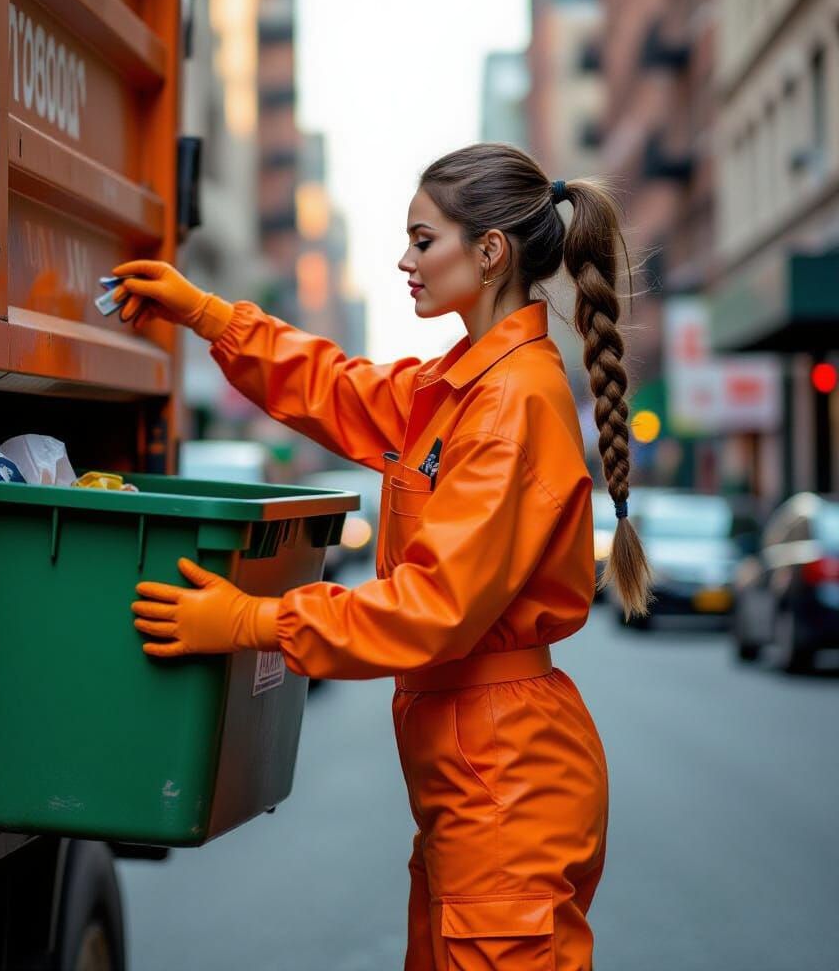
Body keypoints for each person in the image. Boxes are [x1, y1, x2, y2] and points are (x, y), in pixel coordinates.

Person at [113, 142, 652, 971]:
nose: (405, 260)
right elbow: (340, 389)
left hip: (502, 781)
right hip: (481, 773)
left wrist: (255, 621)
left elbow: (433, 606)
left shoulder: (506, 404)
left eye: (422, 240)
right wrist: (213, 317)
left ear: (489, 251)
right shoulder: (464, 387)